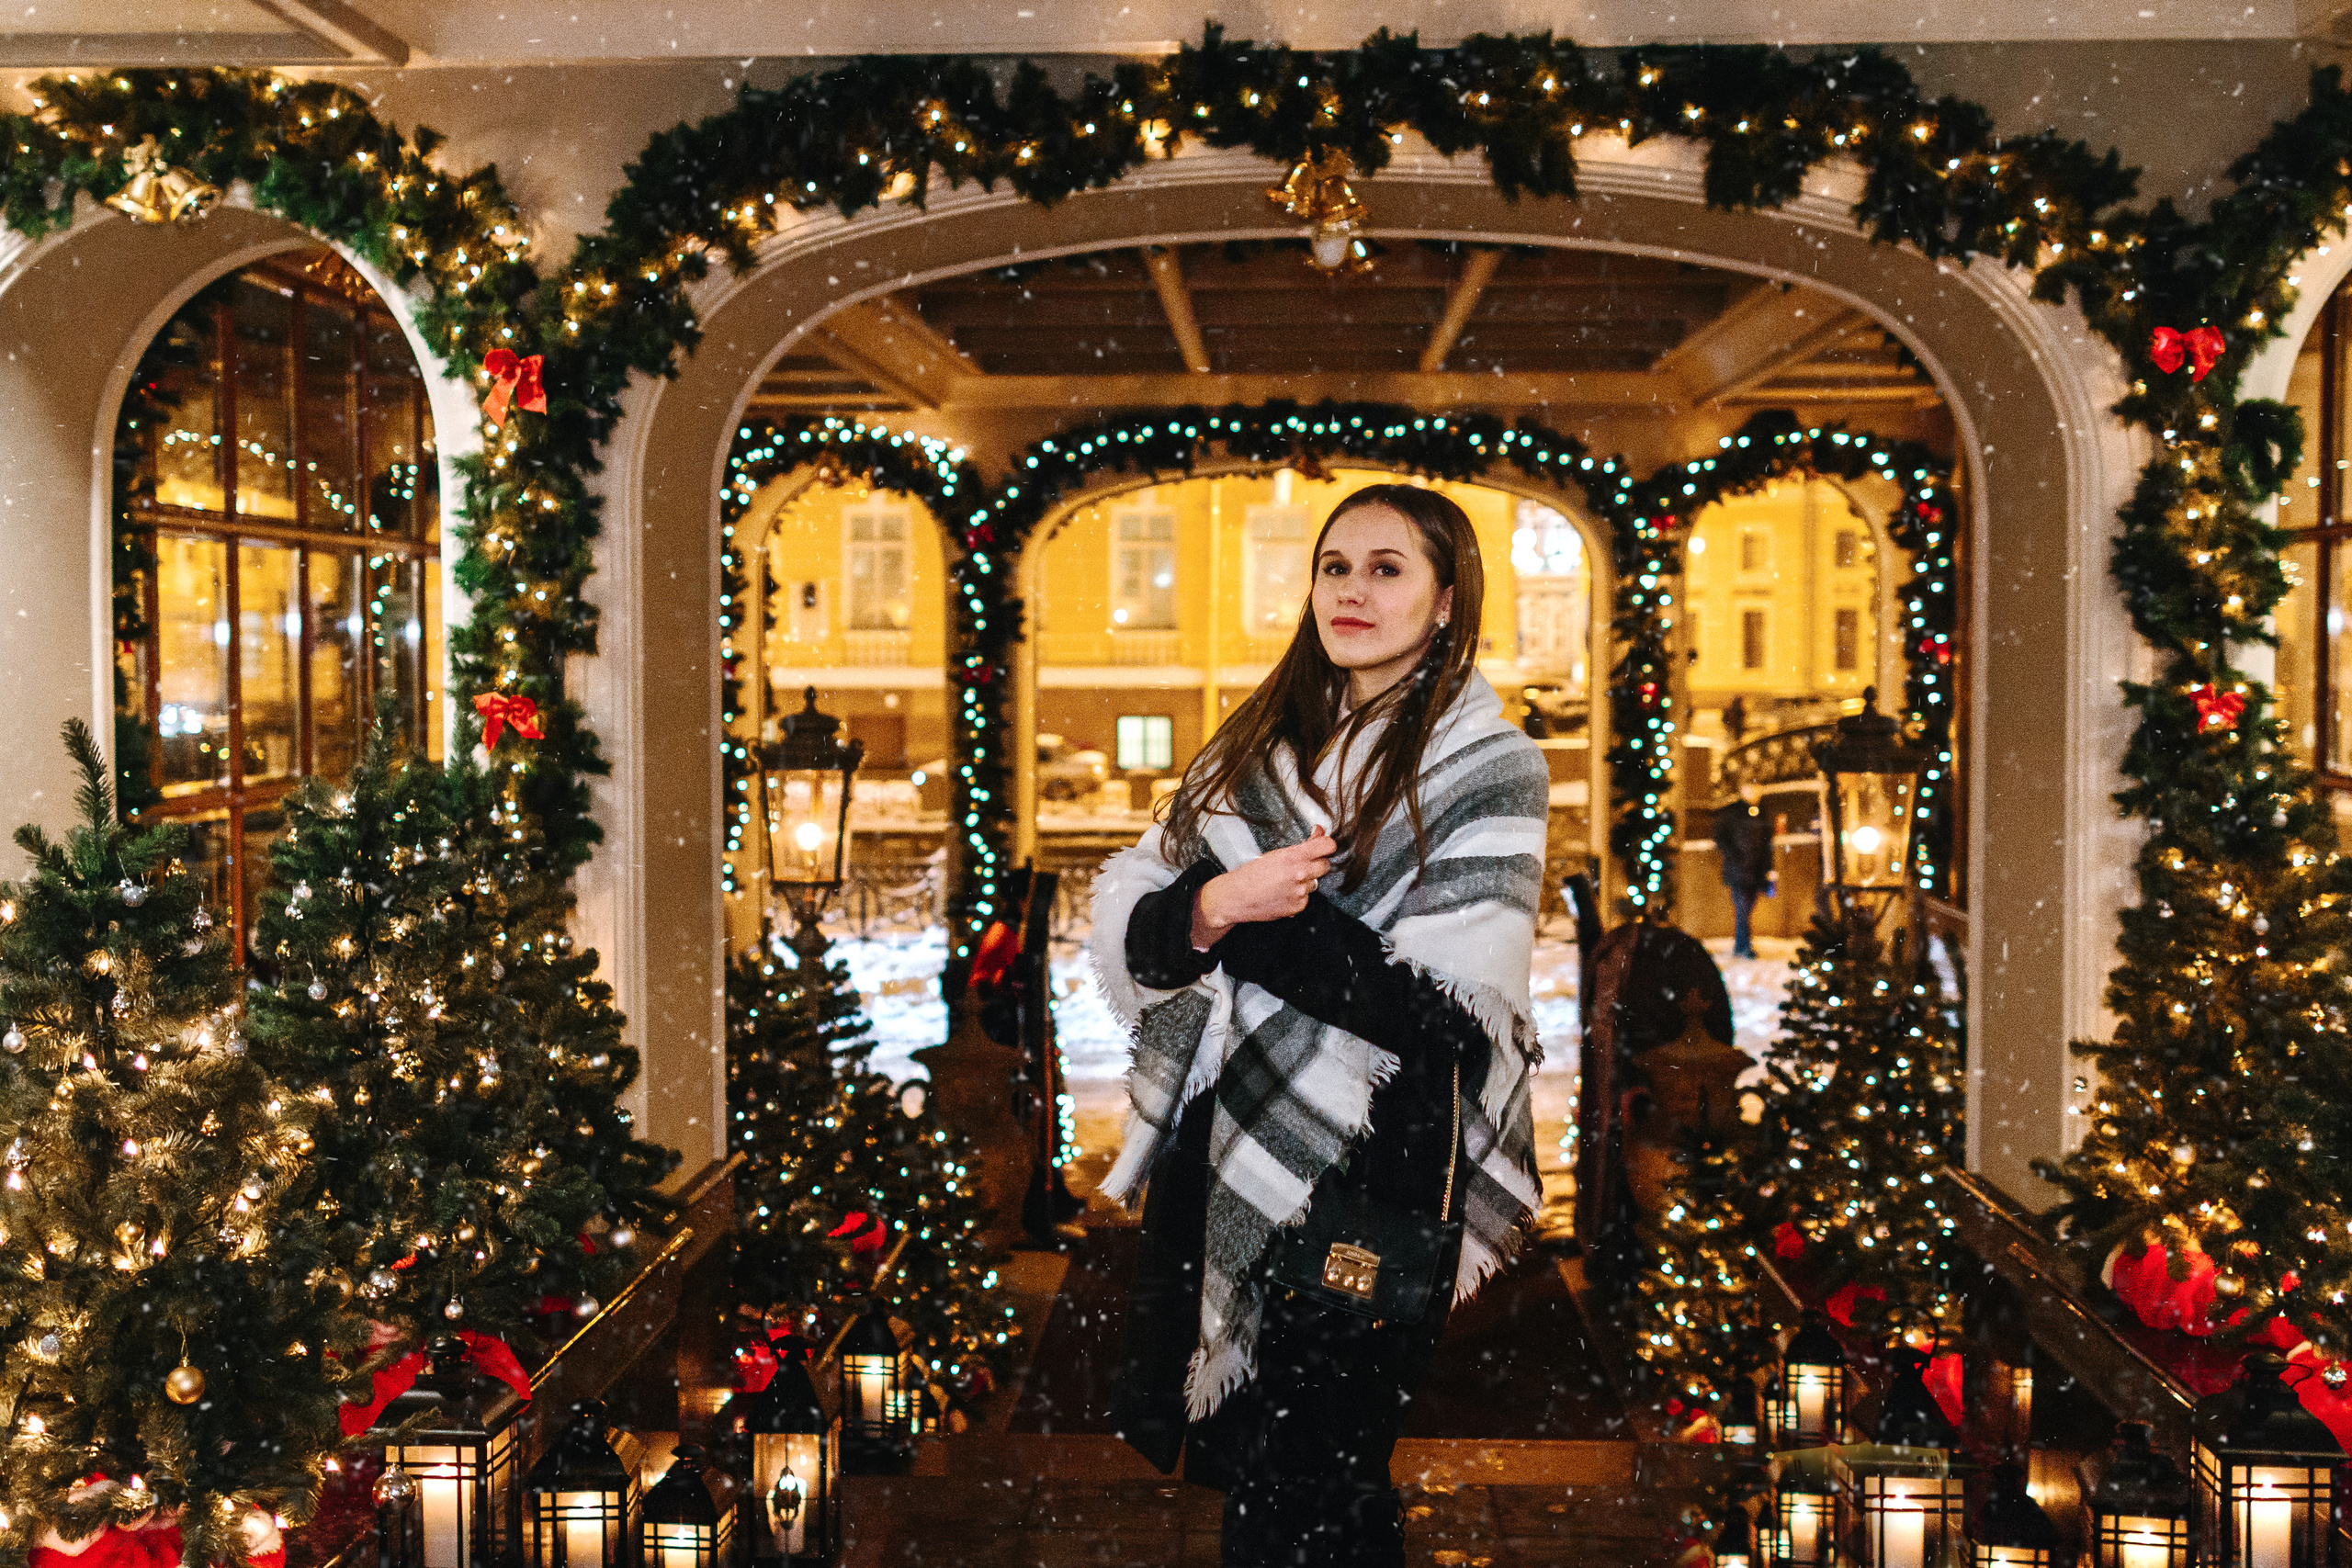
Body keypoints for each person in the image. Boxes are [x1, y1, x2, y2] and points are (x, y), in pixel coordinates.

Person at [1090, 484, 1548, 1567]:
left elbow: (1438, 1012)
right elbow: (1147, 935)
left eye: (1388, 569)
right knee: (1254, 1472)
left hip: (1375, 1164)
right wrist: (1209, 905)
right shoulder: (1256, 747)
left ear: (1445, 602)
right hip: (1227, 1143)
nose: (1352, 590)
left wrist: (1239, 919)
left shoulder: (1489, 767)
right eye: (1335, 567)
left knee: (1325, 1478)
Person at [1715, 780, 1774, 959]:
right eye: (1750, 790)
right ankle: (1744, 946)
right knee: (1743, 908)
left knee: (1747, 908)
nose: (1754, 793)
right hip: (1739, 870)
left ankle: (1741, 944)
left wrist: (1768, 868)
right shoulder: (1733, 812)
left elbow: (1767, 843)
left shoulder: (1762, 812)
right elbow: (1720, 837)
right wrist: (1734, 855)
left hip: (1755, 870)